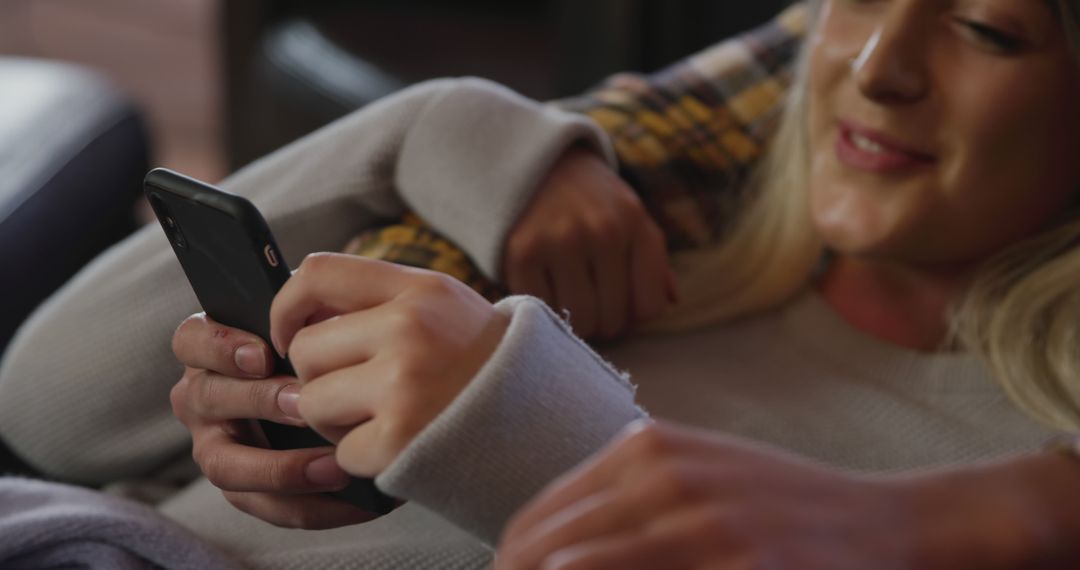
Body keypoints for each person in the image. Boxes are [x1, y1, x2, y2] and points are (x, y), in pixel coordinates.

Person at [2, 1, 1080, 568]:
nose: (875, 64)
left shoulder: (1007, 471)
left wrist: (514, 425)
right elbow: (49, 411)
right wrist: (427, 127)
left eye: (991, 29)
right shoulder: (656, 235)